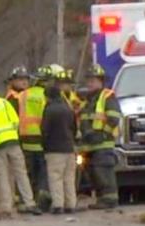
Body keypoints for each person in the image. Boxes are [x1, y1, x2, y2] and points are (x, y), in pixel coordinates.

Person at [0, 83, 40, 219]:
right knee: (21, 173)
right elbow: (16, 121)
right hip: (13, 141)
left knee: (2, 175)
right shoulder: (3, 102)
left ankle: (7, 205)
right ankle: (30, 202)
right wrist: (12, 133)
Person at [8, 66, 50, 212]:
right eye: (20, 79)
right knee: (25, 171)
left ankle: (33, 200)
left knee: (32, 171)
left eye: (25, 79)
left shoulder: (27, 95)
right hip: (21, 140)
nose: (24, 82)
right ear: (12, 81)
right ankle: (23, 201)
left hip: (36, 140)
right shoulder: (13, 98)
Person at [80, 66, 123, 209]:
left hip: (103, 143)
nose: (89, 83)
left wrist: (104, 133)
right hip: (90, 144)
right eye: (88, 80)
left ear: (101, 81)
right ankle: (102, 199)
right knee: (93, 172)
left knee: (102, 171)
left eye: (93, 80)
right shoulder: (88, 100)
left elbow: (114, 117)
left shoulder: (107, 96)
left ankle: (110, 200)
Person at [42, 85, 78, 215]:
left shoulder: (49, 109)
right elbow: (74, 128)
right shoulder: (68, 108)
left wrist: (44, 146)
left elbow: (45, 130)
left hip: (54, 149)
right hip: (69, 148)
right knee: (69, 178)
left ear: (48, 96)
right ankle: (71, 204)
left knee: (55, 177)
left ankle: (58, 205)